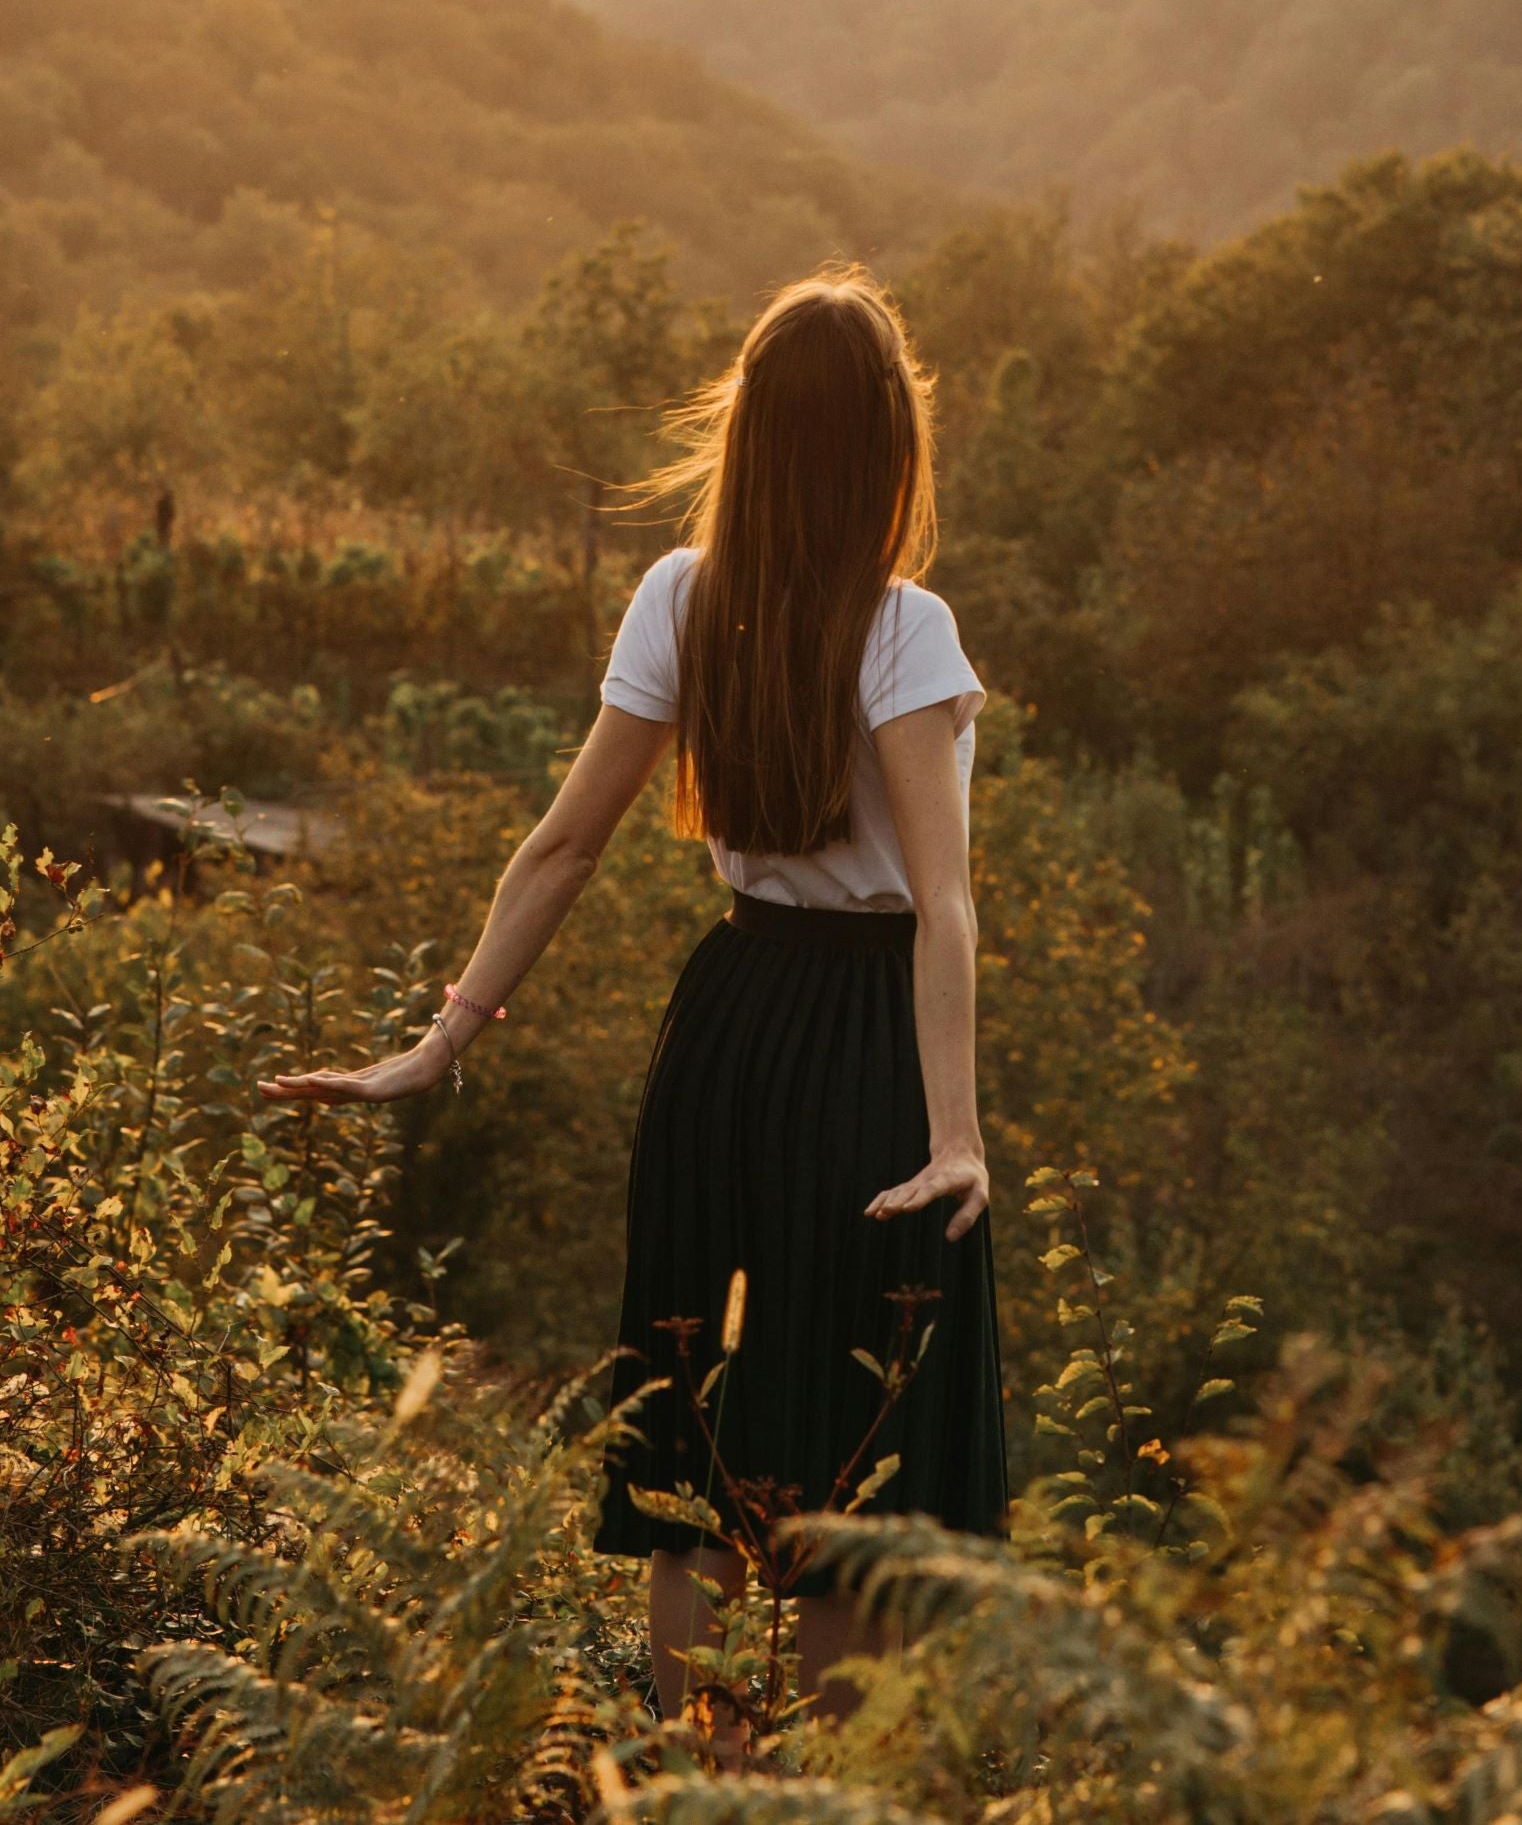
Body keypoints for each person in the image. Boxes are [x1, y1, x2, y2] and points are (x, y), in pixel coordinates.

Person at [258, 265, 1010, 1739]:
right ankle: (800, 1789)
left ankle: (692, 1772)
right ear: (885, 446)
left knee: (705, 1453)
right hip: (868, 1057)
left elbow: (563, 844)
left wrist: (443, 1035)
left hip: (725, 1031)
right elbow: (946, 906)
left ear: (749, 437)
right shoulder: (905, 627)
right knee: (845, 1465)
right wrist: (960, 1133)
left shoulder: (683, 594)